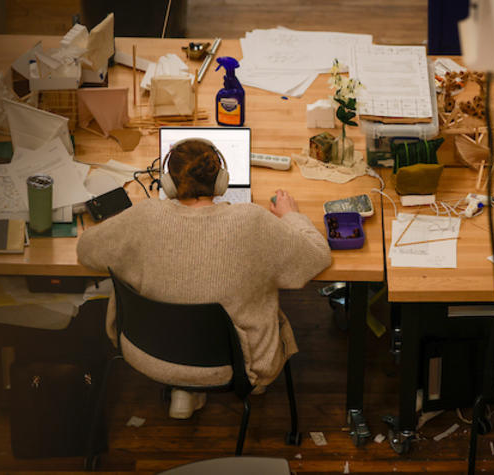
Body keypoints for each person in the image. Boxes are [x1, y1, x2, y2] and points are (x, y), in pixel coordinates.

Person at [77, 139, 331, 418]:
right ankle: (240, 385)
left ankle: (184, 390)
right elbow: (316, 257)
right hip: (234, 364)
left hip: (150, 352)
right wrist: (291, 217)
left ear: (168, 183)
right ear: (221, 182)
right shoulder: (251, 220)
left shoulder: (145, 216)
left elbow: (86, 250)